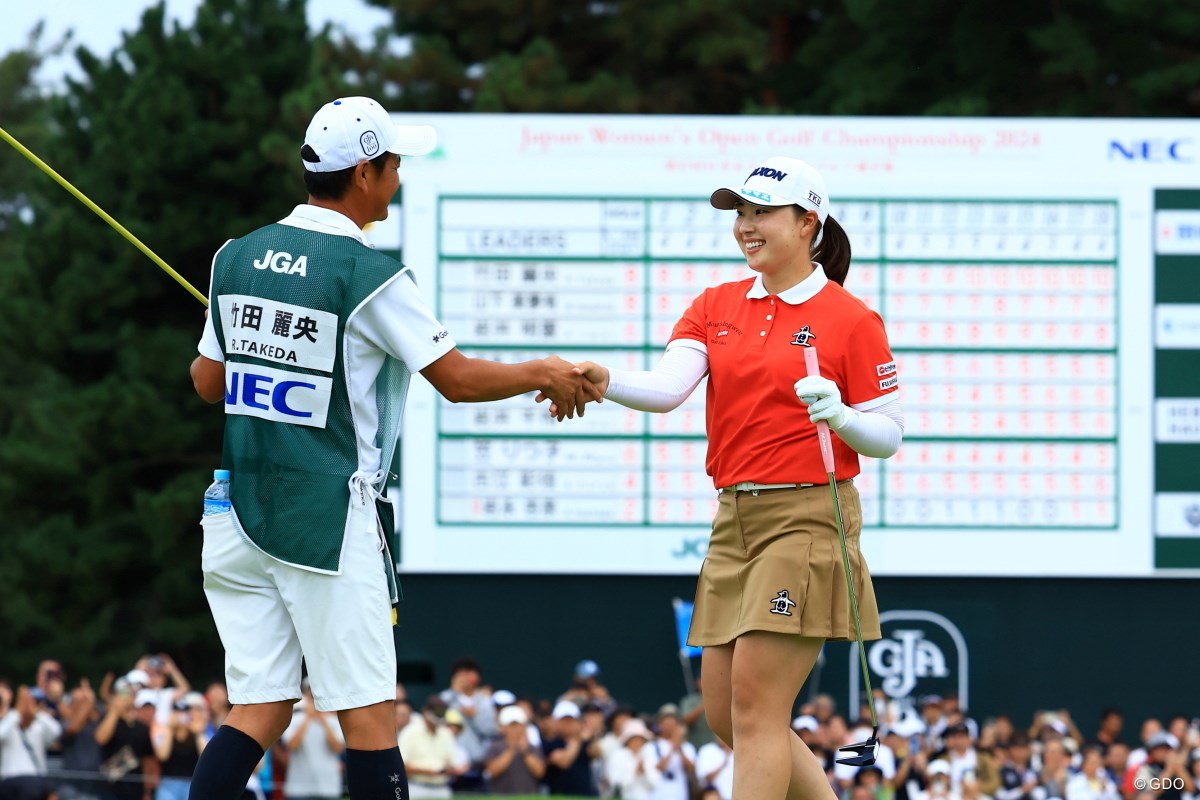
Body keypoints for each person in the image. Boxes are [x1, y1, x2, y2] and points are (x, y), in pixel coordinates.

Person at [187, 95, 599, 800]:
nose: (399, 176)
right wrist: (545, 371)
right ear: (364, 173)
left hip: (236, 516)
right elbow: (458, 381)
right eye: (394, 163)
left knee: (259, 708)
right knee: (370, 717)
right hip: (322, 521)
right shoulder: (367, 273)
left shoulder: (236, 256)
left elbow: (207, 382)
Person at [560, 156, 903, 799]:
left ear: (807, 222)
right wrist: (606, 381)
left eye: (762, 212)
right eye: (740, 212)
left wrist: (842, 416)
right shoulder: (715, 304)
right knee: (725, 715)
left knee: (755, 710)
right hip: (733, 521)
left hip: (808, 517)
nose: (746, 225)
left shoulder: (851, 319)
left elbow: (887, 435)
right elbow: (668, 389)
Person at [280, 682, 344, 800]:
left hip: (328, 788)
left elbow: (338, 748)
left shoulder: (334, 721)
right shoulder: (294, 719)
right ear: (306, 696)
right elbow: (291, 746)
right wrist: (308, 718)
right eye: (311, 695)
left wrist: (323, 721)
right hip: (298, 789)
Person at [0, 685, 63, 800]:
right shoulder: (9, 721)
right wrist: (18, 711)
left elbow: (56, 730)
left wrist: (37, 712)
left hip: (35, 780)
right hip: (11, 780)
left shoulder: (38, 727)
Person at [152, 695, 209, 800]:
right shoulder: (165, 733)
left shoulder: (196, 735)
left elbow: (207, 757)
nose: (181, 715)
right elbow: (162, 755)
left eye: (184, 712)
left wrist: (198, 733)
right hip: (168, 784)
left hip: (191, 784)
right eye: (177, 711)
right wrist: (169, 728)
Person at [482, 705, 545, 795]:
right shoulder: (495, 747)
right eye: (512, 725)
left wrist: (526, 753)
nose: (516, 729)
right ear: (503, 727)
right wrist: (511, 749)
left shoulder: (532, 747)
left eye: (518, 725)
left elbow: (540, 773)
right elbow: (492, 771)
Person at [542, 701, 601, 797]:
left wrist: (592, 734)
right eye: (564, 721)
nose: (568, 724)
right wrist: (578, 739)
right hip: (560, 795)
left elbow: (596, 753)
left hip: (585, 795)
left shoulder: (584, 742)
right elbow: (564, 762)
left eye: (571, 720)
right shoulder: (551, 743)